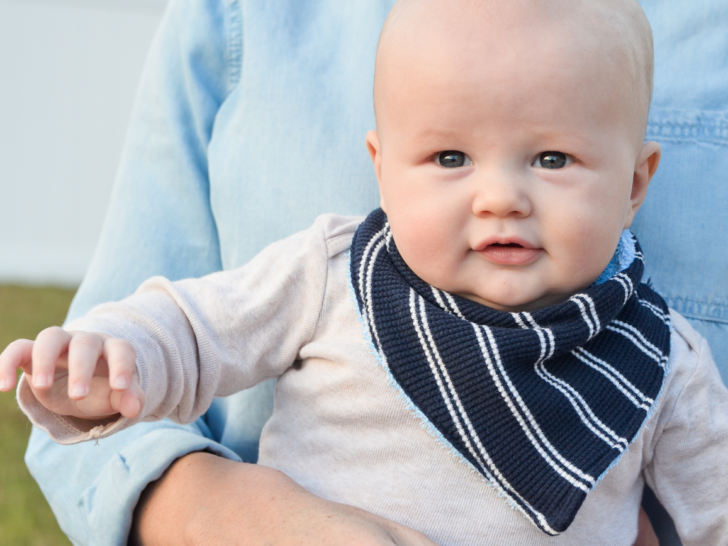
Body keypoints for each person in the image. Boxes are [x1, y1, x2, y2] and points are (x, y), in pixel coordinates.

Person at [3, 0, 728, 543]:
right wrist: (114, 359)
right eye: (451, 158)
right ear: (381, 170)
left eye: (552, 159)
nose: (502, 196)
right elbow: (194, 327)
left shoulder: (660, 357)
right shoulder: (333, 273)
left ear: (635, 185)